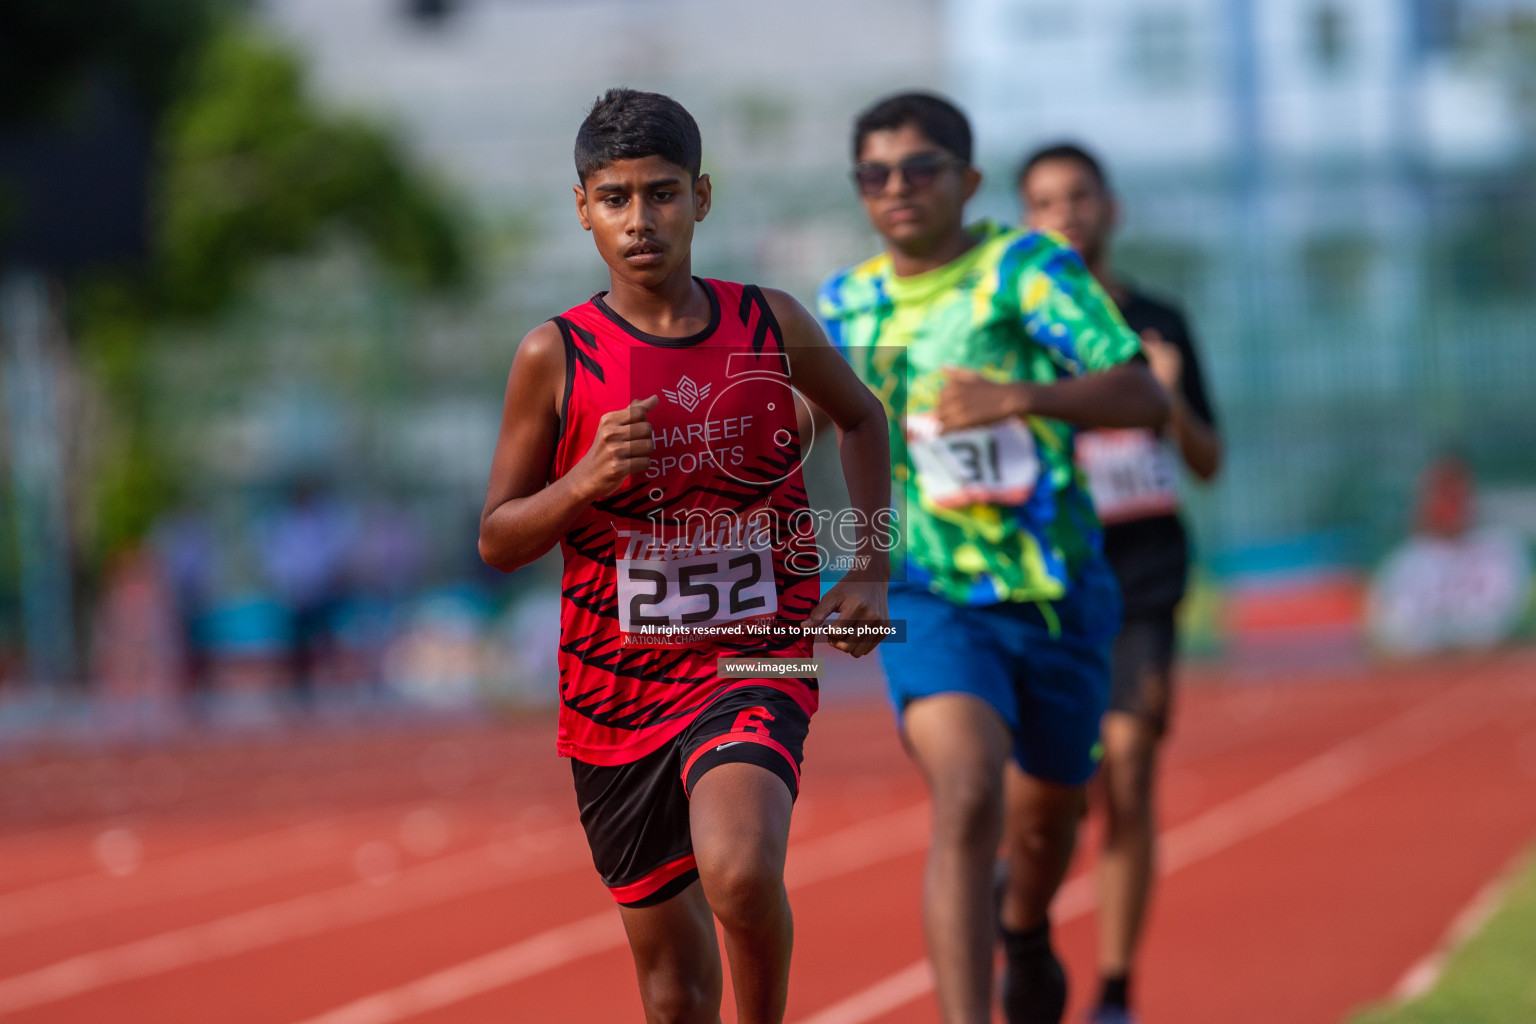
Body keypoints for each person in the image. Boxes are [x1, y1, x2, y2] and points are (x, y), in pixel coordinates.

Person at [478, 88, 891, 1024]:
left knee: (741, 874)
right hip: (612, 688)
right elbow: (498, 537)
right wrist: (579, 482)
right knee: (672, 991)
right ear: (581, 207)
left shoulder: (770, 326)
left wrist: (867, 568)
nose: (640, 220)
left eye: (661, 194)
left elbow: (863, 417)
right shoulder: (555, 355)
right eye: (615, 198)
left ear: (701, 198)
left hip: (752, 656)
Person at [819, 95, 1169, 1024]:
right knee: (968, 793)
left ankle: (1022, 923)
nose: (898, 189)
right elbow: (835, 444)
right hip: (932, 593)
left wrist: (1016, 396)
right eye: (875, 174)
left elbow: (1142, 395)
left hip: (1052, 592)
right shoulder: (847, 303)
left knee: (1051, 818)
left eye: (921, 168)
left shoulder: (1026, 270)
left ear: (968, 181)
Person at [1019, 143, 1223, 1024]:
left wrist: (1165, 397)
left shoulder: (1160, 322)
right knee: (1068, 788)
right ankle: (1023, 899)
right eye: (1044, 202)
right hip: (1046, 574)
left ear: (1111, 208)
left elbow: (1210, 463)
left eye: (1079, 197)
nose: (1065, 214)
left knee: (1131, 769)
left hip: (1141, 571)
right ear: (1026, 223)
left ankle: (1111, 992)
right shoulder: (1020, 332)